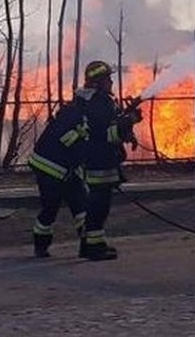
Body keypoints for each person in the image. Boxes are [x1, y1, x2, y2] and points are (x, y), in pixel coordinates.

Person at [75, 60, 142, 261]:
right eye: (108, 79)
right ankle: (94, 249)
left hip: (94, 159)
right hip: (100, 161)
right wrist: (129, 121)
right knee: (99, 206)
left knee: (96, 205)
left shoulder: (91, 100)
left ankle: (91, 245)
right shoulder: (99, 102)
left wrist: (127, 127)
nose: (111, 82)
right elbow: (107, 133)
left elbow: (110, 127)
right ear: (99, 82)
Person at [27, 97, 90, 258]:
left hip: (54, 167)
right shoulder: (76, 118)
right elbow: (71, 143)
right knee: (61, 208)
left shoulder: (70, 115)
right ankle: (43, 246)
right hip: (54, 169)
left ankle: (42, 247)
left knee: (72, 208)